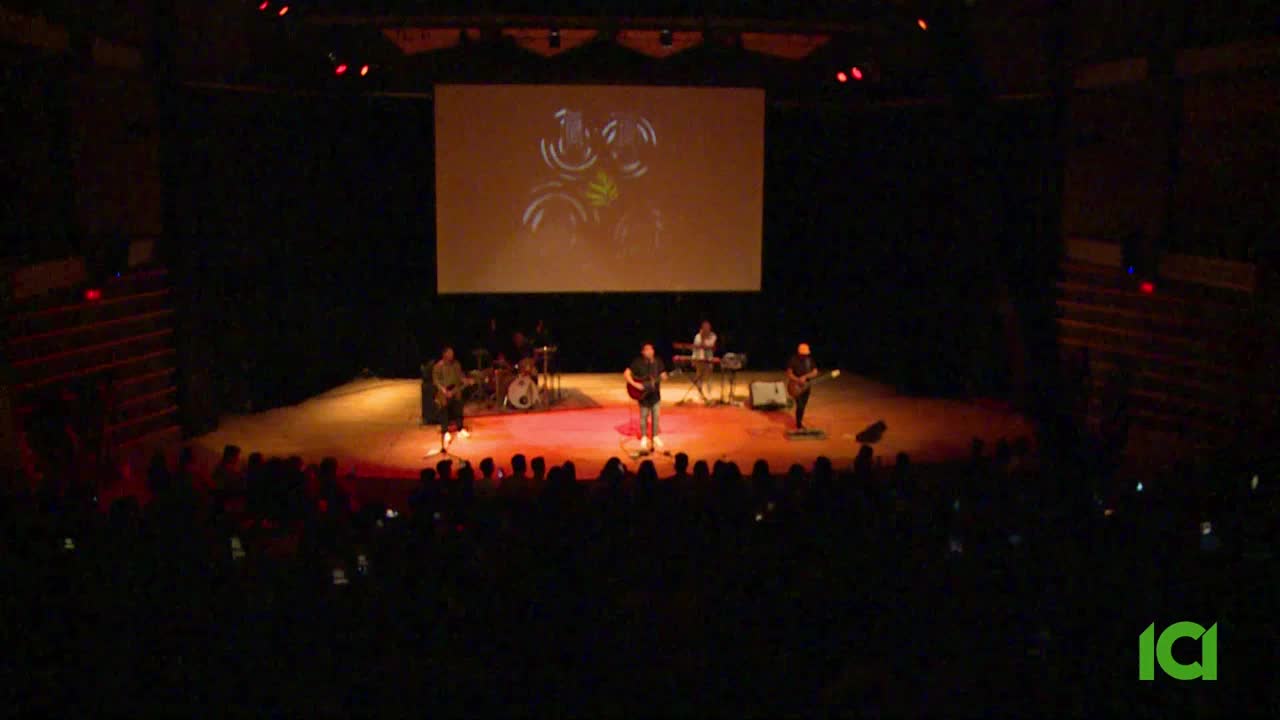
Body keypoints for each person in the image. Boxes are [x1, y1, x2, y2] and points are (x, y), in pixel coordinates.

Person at [624, 342, 668, 450]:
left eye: (651, 349)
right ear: (642, 352)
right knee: (643, 417)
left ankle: (655, 436)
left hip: (655, 395)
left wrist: (664, 376)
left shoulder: (658, 361)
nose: (649, 351)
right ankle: (644, 436)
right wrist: (635, 385)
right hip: (643, 395)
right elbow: (626, 373)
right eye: (647, 349)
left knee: (656, 416)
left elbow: (662, 373)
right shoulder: (637, 362)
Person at [432, 346, 470, 440]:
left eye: (452, 353)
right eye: (449, 353)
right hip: (443, 390)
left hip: (455, 389)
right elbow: (436, 381)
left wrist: (466, 381)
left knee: (458, 404)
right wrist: (444, 390)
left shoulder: (456, 364)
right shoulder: (438, 366)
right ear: (444, 354)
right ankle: (445, 431)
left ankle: (460, 429)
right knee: (443, 404)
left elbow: (460, 377)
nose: (451, 355)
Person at [786, 342, 820, 430]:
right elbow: (789, 374)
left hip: (807, 386)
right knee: (800, 405)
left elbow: (815, 372)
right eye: (803, 354)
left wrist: (805, 377)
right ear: (799, 353)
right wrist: (798, 379)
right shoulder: (793, 360)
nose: (804, 356)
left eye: (806, 354)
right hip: (795, 386)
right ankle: (799, 424)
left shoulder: (809, 360)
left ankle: (799, 420)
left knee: (803, 406)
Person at [691, 320, 717, 404]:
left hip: (708, 359)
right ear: (702, 328)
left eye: (708, 327)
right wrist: (693, 359)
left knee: (709, 377)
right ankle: (700, 394)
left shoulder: (713, 336)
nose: (706, 329)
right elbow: (695, 348)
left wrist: (703, 338)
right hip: (699, 359)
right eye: (704, 327)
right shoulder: (697, 336)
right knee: (699, 377)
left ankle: (709, 394)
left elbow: (708, 345)